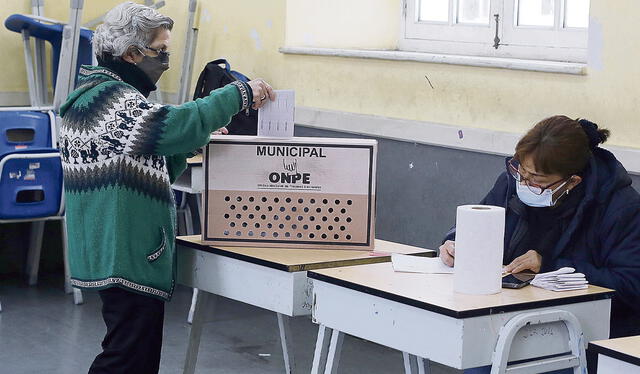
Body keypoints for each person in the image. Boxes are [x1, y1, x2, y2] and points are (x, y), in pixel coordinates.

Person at [59, 2, 275, 373]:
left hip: (115, 247)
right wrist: (237, 95)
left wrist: (191, 143)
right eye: (160, 52)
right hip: (121, 252)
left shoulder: (104, 95)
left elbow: (144, 164)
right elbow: (174, 123)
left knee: (133, 355)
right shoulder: (110, 101)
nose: (166, 61)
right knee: (126, 359)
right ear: (131, 53)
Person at [440, 115, 640, 340]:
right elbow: (476, 224)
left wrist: (550, 267)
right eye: (521, 171)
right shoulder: (511, 183)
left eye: (537, 179)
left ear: (572, 181)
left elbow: (631, 285)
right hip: (504, 319)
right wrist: (455, 243)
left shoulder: (620, 207)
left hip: (583, 334)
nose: (524, 184)